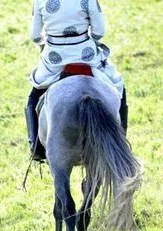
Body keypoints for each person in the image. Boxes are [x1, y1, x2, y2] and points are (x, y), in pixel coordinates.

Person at [25, 0, 128, 160]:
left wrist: (45, 42)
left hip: (54, 60)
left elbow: (35, 35)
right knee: (118, 84)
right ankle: (120, 142)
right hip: (86, 55)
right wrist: (89, 40)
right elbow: (99, 31)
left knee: (33, 96)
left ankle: (36, 148)